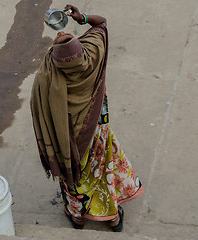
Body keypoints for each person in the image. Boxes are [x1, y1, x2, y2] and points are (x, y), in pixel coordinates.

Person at [30, 4, 144, 232]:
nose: (61, 33)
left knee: (75, 177)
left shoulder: (48, 75)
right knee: (103, 173)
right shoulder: (92, 54)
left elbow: (39, 109)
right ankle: (112, 218)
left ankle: (78, 216)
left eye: (61, 37)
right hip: (99, 133)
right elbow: (101, 23)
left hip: (70, 142)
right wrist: (81, 17)